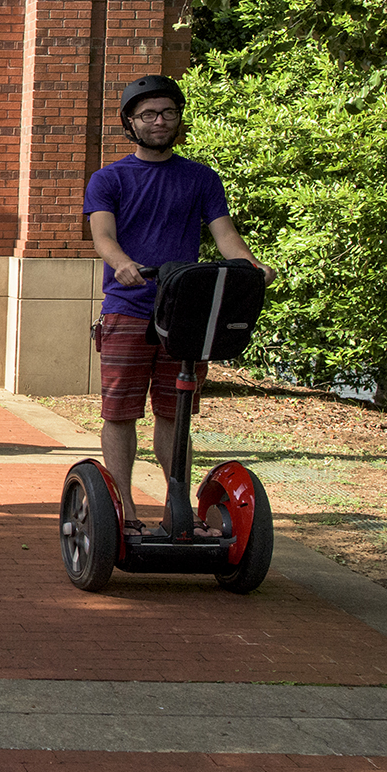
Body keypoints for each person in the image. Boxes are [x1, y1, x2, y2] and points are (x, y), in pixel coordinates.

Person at [84, 74, 273, 536]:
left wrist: (252, 267)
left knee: (175, 412)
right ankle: (125, 507)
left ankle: (176, 505)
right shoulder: (109, 179)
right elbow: (102, 236)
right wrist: (123, 263)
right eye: (148, 114)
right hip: (127, 307)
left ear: (178, 119)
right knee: (120, 412)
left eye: (168, 113)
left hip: (182, 312)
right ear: (131, 122)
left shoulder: (201, 178)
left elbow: (225, 235)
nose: (159, 121)